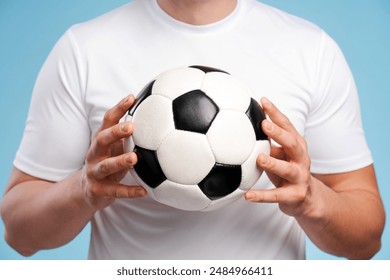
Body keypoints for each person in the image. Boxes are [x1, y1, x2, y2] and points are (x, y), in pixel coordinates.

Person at [1, 0, 385, 259]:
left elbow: (366, 239)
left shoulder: (310, 50)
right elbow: (19, 233)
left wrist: (311, 199)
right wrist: (84, 191)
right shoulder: (84, 49)